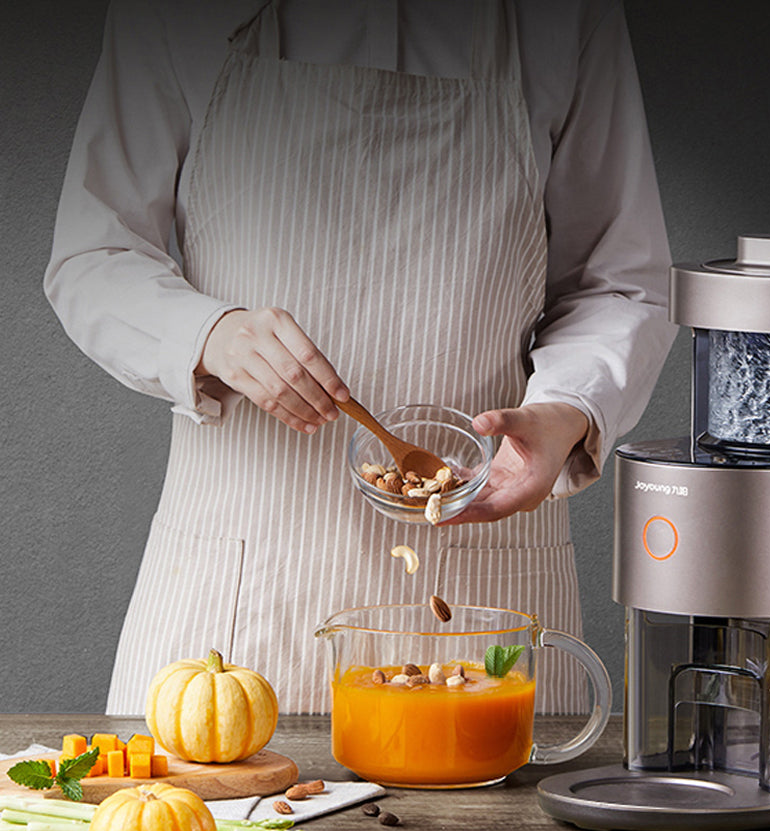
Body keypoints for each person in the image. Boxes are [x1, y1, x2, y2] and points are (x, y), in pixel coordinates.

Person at [45, 0, 674, 715]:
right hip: (233, 605)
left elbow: (617, 281)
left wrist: (567, 409)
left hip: (482, 588)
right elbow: (93, 252)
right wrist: (209, 333)